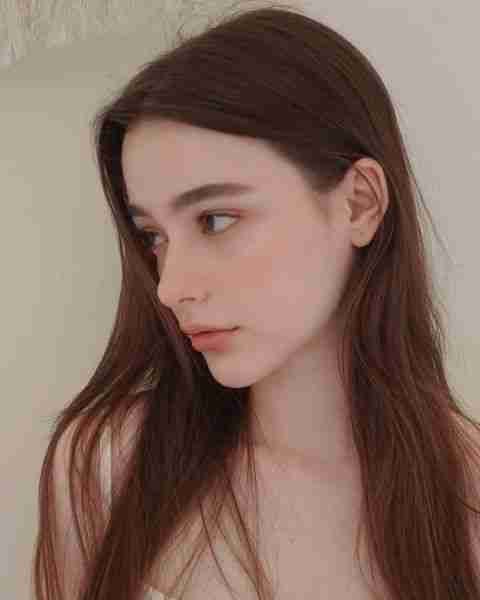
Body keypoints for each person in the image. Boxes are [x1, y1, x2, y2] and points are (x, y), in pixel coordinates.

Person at [32, 3, 480, 600]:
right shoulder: (109, 464)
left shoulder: (465, 499)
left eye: (216, 220)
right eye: (153, 237)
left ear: (360, 203)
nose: (170, 287)